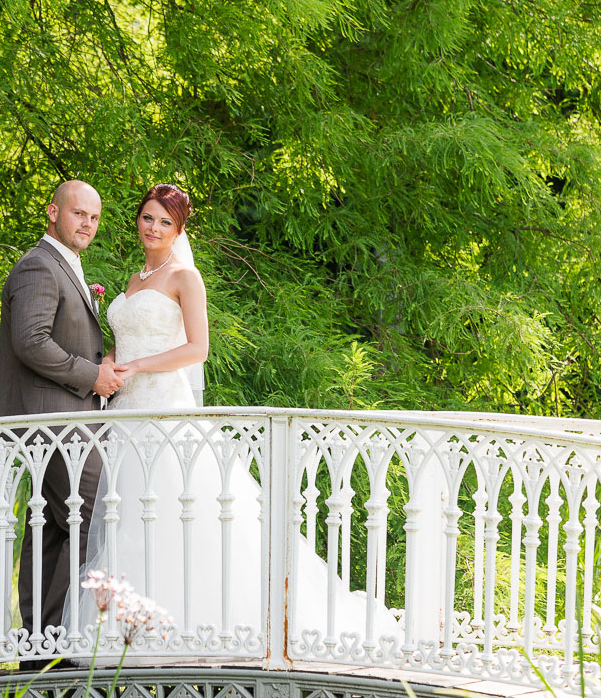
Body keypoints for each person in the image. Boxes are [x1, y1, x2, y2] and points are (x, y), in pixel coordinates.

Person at [72, 183, 401, 652]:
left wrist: (140, 366)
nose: (154, 228)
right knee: (131, 518)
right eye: (148, 218)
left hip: (165, 405)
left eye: (165, 222)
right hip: (127, 410)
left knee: (175, 509)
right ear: (138, 220)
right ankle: (133, 633)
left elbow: (197, 348)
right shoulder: (134, 280)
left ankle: (198, 629)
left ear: (179, 230)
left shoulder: (185, 277)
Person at [0, 180, 124, 644]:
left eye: (94, 216)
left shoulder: (64, 267)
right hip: (54, 425)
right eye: (78, 213)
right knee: (92, 526)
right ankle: (71, 639)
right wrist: (91, 376)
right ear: (53, 212)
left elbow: (62, 335)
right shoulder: (38, 266)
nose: (87, 223)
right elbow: (30, 342)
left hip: (67, 425)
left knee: (52, 530)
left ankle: (42, 644)